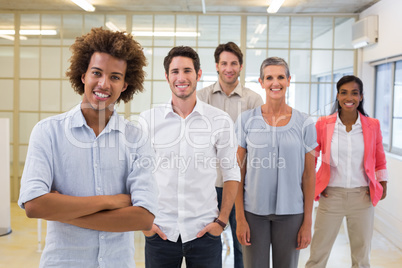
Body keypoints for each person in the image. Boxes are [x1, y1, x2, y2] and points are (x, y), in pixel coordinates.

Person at [18, 27, 158, 267]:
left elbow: (143, 218)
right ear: (83, 75)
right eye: (97, 72)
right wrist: (110, 201)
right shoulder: (48, 132)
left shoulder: (137, 139)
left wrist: (62, 210)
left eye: (115, 77)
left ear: (125, 84)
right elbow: (34, 205)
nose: (103, 84)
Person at [140, 46, 240, 268]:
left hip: (204, 232)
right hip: (160, 232)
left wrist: (221, 222)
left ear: (199, 74)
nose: (181, 77)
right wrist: (146, 225)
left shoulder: (219, 120)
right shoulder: (148, 120)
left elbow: (231, 172)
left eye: (187, 70)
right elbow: (137, 175)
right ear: (166, 77)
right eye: (175, 71)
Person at [235, 57, 317, 268]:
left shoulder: (305, 123)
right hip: (254, 213)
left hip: (292, 213)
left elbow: (309, 176)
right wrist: (240, 219)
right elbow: (238, 172)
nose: (275, 83)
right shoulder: (246, 120)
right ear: (261, 82)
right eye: (269, 77)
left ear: (289, 80)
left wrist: (307, 222)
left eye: (281, 77)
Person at [306, 75, 388, 268]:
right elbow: (312, 158)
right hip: (330, 195)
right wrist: (313, 186)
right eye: (343, 92)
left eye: (354, 93)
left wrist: (383, 184)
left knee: (361, 258)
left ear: (361, 97)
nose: (348, 97)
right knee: (317, 255)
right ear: (337, 95)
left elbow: (379, 158)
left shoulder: (372, 125)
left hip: (362, 197)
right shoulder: (323, 124)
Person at [197, 42, 263, 268]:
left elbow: (257, 144)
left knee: (242, 242)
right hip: (208, 182)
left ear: (241, 66)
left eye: (233, 63)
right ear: (216, 65)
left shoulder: (253, 101)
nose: (229, 68)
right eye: (224, 63)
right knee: (206, 241)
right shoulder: (201, 98)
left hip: (241, 184)